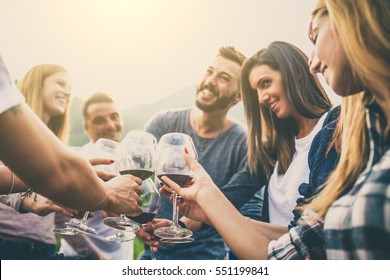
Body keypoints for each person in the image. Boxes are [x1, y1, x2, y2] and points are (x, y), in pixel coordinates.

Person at [164, 0, 390, 259]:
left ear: (294, 73)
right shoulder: (273, 149)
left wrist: (221, 214)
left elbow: (304, 238)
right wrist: (181, 223)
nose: (261, 97)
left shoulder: (339, 128)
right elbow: (232, 195)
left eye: (266, 83)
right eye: (256, 90)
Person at [0, 59, 142, 259]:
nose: (67, 92)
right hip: (7, 239)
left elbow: (55, 195)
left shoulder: (57, 146)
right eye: (60, 83)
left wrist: (76, 184)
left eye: (69, 87)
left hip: (42, 245)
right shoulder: (10, 128)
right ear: (36, 83)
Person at [138, 46, 263, 260]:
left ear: (239, 96)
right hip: (154, 253)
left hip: (209, 256)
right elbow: (135, 176)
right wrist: (137, 221)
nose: (211, 80)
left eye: (223, 77)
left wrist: (186, 224)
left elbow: (251, 208)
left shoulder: (244, 142)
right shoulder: (163, 123)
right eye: (209, 71)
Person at [58, 92, 133, 260]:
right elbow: (60, 217)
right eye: (99, 120)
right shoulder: (80, 160)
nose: (110, 125)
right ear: (86, 127)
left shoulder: (129, 163)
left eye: (114, 117)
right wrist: (94, 257)